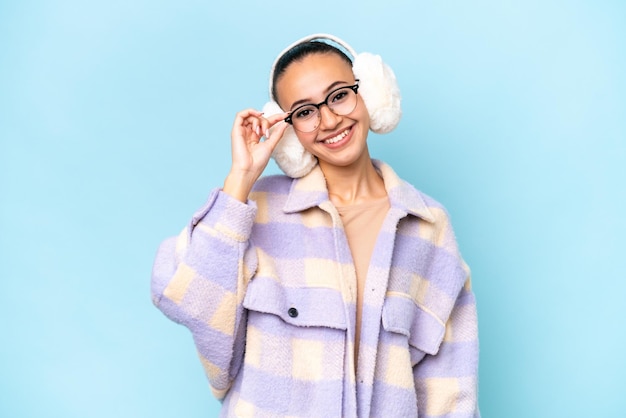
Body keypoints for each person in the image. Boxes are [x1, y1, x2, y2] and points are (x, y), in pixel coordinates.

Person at [151, 33, 480, 418]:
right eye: (305, 112)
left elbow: (450, 386)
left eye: (339, 95)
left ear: (370, 93)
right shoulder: (254, 209)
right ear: (289, 131)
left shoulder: (428, 226)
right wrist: (240, 178)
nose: (329, 120)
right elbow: (188, 296)